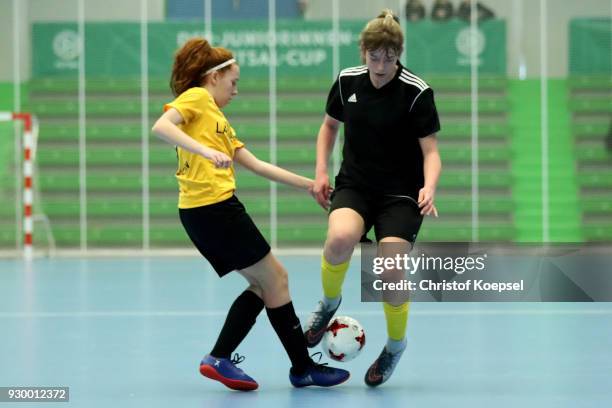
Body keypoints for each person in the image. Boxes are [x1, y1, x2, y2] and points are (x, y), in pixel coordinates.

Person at [152, 37, 349, 391]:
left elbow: (257, 165)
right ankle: (301, 368)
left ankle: (221, 357)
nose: (236, 91)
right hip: (214, 208)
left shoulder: (219, 122)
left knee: (265, 285)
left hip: (203, 214)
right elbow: (162, 127)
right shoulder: (197, 97)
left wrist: (311, 184)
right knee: (277, 280)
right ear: (214, 77)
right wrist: (205, 152)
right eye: (234, 82)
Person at [303, 9, 442, 387]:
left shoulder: (416, 92)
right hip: (356, 185)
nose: (381, 65)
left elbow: (431, 151)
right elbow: (329, 127)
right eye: (374, 56)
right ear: (363, 51)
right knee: (340, 239)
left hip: (400, 194)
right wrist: (320, 171)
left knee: (390, 265)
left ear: (399, 54)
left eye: (389, 57)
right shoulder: (347, 81)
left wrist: (429, 187)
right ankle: (329, 305)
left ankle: (395, 346)